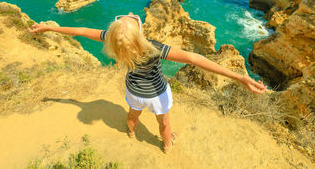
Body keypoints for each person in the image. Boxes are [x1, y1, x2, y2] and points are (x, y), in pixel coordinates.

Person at [28, 12, 267, 154]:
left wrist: (51, 27)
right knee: (164, 124)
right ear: (141, 34)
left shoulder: (113, 43)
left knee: (133, 114)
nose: (132, 17)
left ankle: (131, 131)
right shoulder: (154, 48)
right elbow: (195, 58)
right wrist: (240, 77)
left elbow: (80, 30)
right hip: (158, 95)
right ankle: (167, 145)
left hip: (133, 91)